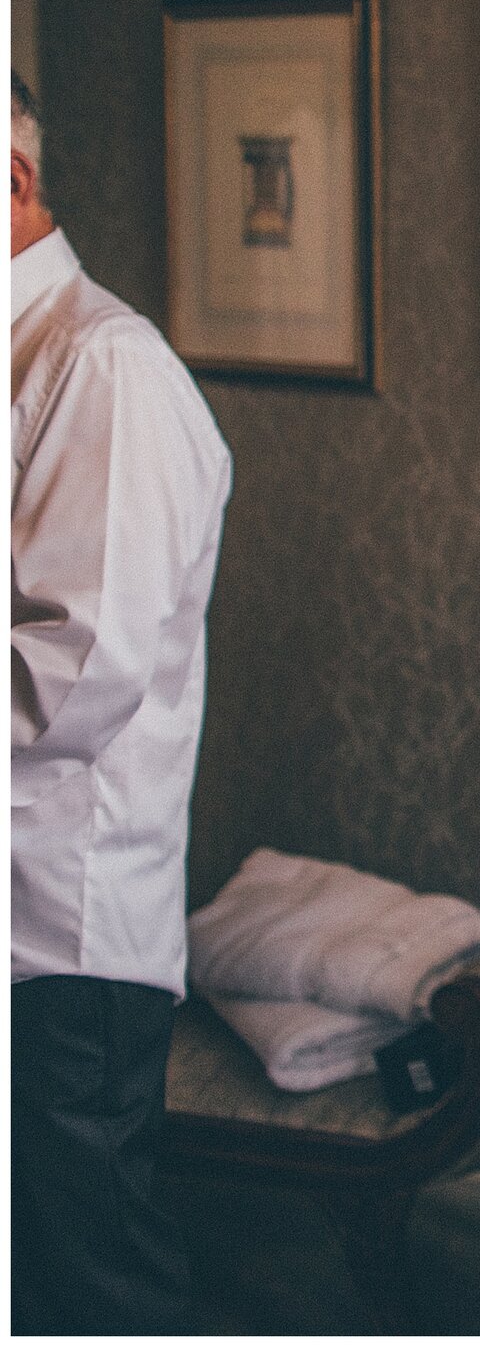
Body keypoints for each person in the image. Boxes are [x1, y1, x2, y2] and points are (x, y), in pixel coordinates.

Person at [12, 70, 232, 1332]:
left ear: (15, 179)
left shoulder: (106, 369)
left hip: (59, 942)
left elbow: (77, 674)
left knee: (87, 1285)